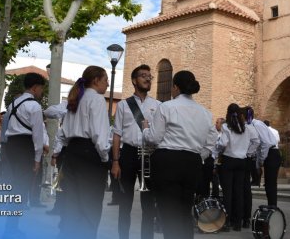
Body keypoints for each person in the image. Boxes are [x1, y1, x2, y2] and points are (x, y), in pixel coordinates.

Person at [142, 70, 218, 239]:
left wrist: (145, 129)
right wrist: (200, 156)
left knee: (169, 214)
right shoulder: (205, 113)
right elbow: (212, 141)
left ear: (175, 87)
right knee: (185, 212)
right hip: (192, 162)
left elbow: (154, 138)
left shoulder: (166, 107)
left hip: (168, 161)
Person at [56, 66, 111, 239]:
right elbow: (100, 136)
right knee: (90, 206)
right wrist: (105, 159)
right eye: (105, 80)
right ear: (96, 80)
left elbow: (63, 133)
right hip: (90, 155)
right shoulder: (96, 100)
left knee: (71, 204)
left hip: (72, 152)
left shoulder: (76, 99)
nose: (107, 84)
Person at [110, 64, 160, 239]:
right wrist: (115, 162)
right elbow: (117, 134)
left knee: (148, 204)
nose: (148, 78)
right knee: (125, 202)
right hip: (128, 154)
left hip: (149, 155)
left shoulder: (158, 105)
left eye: (149, 76)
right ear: (134, 80)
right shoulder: (124, 105)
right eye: (143, 75)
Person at [3, 73, 46, 237]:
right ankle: (11, 228)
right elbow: (38, 135)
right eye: (41, 88)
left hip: (11, 145)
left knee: (15, 183)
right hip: (24, 145)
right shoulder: (34, 106)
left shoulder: (13, 103)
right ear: (35, 87)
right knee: (21, 187)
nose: (41, 92)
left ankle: (11, 225)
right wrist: (37, 159)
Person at [216, 103, 259, 231]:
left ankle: (227, 221)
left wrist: (219, 149)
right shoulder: (247, 128)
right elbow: (256, 141)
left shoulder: (226, 127)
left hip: (228, 160)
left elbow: (223, 143)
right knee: (239, 192)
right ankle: (238, 223)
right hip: (242, 161)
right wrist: (247, 152)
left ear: (228, 114)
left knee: (228, 192)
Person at [242, 107, 280, 222]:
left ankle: (273, 209)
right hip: (267, 154)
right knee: (268, 184)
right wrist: (259, 163)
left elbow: (266, 143)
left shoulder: (257, 124)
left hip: (271, 154)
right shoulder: (252, 126)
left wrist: (261, 160)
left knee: (271, 184)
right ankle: (271, 207)